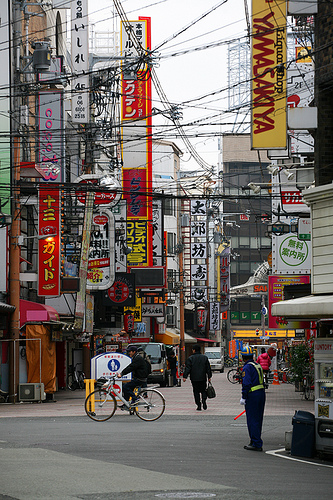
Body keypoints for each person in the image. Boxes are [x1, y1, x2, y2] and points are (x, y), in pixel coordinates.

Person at [240, 345, 265, 451]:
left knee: (252, 419)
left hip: (252, 395)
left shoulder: (247, 367)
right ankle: (256, 439)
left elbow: (246, 383)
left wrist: (243, 396)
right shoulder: (257, 365)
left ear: (243, 357)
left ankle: (256, 443)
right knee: (258, 419)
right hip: (261, 394)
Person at [183, 344, 212, 411]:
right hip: (203, 377)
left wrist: (185, 376)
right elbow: (208, 368)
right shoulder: (204, 358)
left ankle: (199, 405)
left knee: (196, 392)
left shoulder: (190, 358)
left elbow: (188, 368)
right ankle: (204, 401)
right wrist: (209, 376)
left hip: (194, 378)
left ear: (194, 350)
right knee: (203, 390)